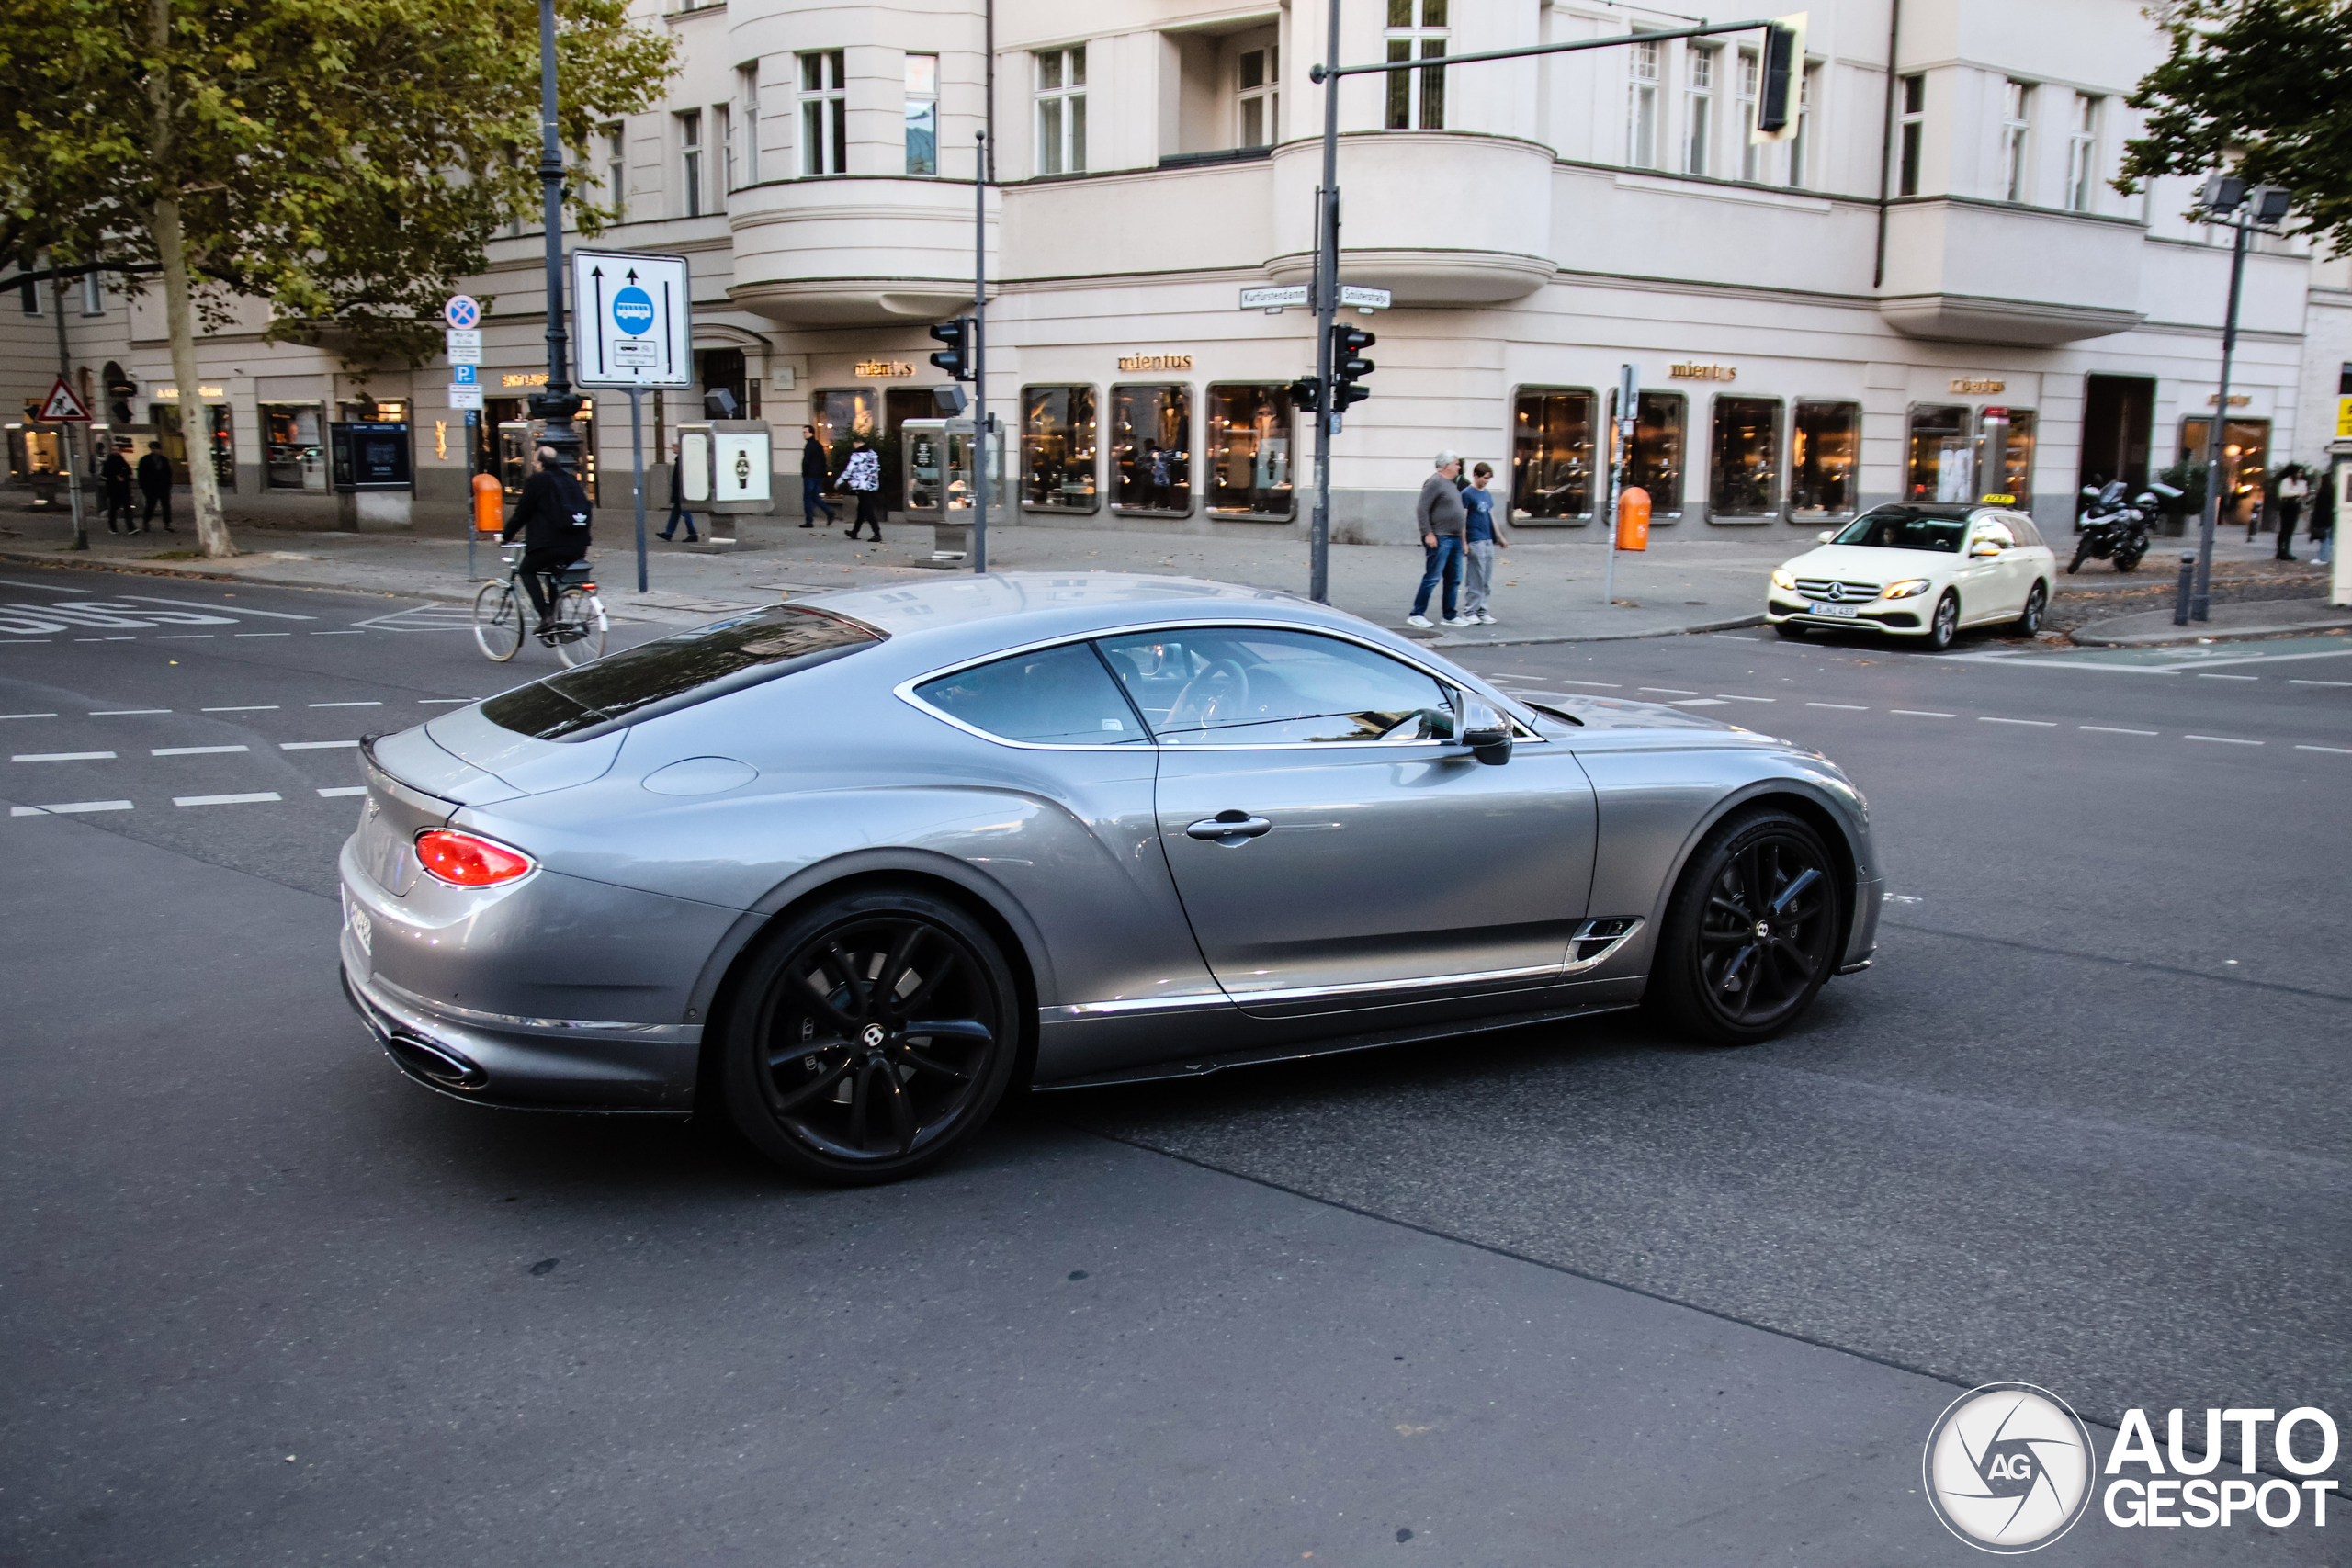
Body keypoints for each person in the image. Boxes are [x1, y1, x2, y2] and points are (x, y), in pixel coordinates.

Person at [500, 446, 594, 633]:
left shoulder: (538, 481)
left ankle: (546, 616)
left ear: (541, 464)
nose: (534, 465)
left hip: (550, 543)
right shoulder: (569, 479)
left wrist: (505, 536)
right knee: (552, 572)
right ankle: (555, 620)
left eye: (535, 462)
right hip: (578, 545)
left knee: (527, 570)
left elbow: (522, 513)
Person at [1407, 451, 1468, 628]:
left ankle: (1449, 614)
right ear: (1447, 465)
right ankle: (1417, 613)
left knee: (1454, 578)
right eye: (1457, 463)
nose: (1459, 467)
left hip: (1454, 537)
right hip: (1440, 536)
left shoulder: (1451, 484)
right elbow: (1422, 509)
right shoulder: (1434, 482)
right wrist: (1428, 533)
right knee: (1432, 576)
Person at [1459, 462, 1512, 626]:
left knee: (1486, 578)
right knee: (1476, 577)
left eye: (1489, 478)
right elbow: (1463, 519)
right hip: (1475, 539)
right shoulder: (1467, 493)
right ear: (1476, 475)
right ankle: (1470, 611)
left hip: (1487, 538)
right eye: (1485, 478)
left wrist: (1500, 537)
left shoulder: (1486, 494)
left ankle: (1482, 610)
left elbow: (1491, 517)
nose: (1487, 481)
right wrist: (1464, 542)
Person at [841, 434, 882, 540]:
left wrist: (839, 481)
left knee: (867, 509)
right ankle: (855, 532)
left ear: (856, 443)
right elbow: (876, 470)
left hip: (861, 485)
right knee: (861, 509)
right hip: (870, 485)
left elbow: (849, 470)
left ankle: (877, 533)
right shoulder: (872, 455)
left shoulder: (857, 455)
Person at [658, 439, 699, 542]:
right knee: (676, 512)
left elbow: (681, 477)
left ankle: (692, 533)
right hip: (681, 490)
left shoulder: (682, 460)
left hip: (682, 491)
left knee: (685, 512)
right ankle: (669, 533)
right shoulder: (682, 459)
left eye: (674, 447)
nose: (672, 449)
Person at [800, 425, 834, 528]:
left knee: (807, 498)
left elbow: (806, 461)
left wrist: (804, 472)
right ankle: (829, 512)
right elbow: (823, 460)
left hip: (810, 475)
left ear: (811, 433)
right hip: (818, 475)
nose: (804, 434)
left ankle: (809, 521)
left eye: (805, 432)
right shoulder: (818, 445)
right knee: (815, 497)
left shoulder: (809, 445)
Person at [136, 441, 174, 533]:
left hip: (163, 486)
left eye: (157, 448)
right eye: (153, 448)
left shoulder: (163, 460)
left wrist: (168, 484)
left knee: (166, 505)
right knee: (150, 505)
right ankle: (146, 522)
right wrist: (143, 486)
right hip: (150, 486)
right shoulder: (145, 459)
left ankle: (167, 524)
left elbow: (168, 472)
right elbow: (141, 473)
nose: (155, 450)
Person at [100, 444, 134, 534]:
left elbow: (129, 472)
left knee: (127, 508)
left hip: (124, 489)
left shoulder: (123, 461)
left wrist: (126, 477)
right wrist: (115, 478)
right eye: (113, 450)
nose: (115, 451)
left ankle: (131, 527)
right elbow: (104, 475)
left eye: (117, 450)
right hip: (113, 489)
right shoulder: (108, 462)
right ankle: (113, 527)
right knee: (113, 509)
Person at [2275, 466, 2308, 561]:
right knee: (2284, 529)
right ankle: (2280, 550)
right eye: (2298, 472)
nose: (2299, 475)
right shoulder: (2286, 481)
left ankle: (2286, 550)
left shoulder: (2301, 482)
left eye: (2301, 473)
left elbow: (2303, 492)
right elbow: (2284, 492)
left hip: (2295, 507)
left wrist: (2295, 491)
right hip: (2287, 507)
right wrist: (2297, 492)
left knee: (2290, 530)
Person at [2312, 468, 2335, 567]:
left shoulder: (2323, 492)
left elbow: (2320, 508)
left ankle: (2323, 558)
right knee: (2328, 539)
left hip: (2324, 519)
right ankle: (2324, 557)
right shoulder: (2332, 491)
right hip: (2329, 518)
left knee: (2324, 539)